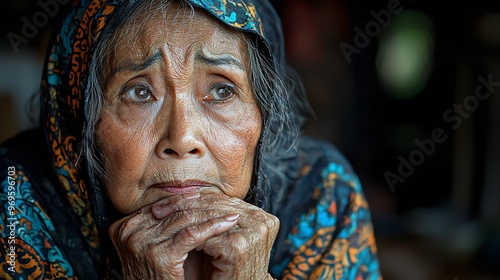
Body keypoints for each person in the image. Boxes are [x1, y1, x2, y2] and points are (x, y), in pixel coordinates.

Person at [0, 0, 381, 279]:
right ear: (80, 120)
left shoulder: (320, 195)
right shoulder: (16, 200)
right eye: (139, 93)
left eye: (221, 91)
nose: (182, 139)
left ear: (264, 116)